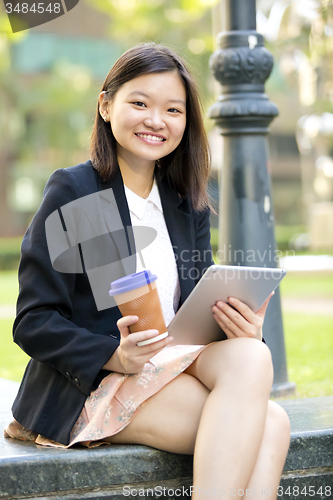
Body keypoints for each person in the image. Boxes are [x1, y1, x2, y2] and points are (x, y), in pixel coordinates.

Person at [4, 43, 290, 498]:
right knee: (270, 425)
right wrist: (114, 355)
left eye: (173, 109)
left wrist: (239, 326)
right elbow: (34, 321)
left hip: (169, 368)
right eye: (139, 103)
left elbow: (197, 307)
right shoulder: (77, 191)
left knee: (252, 354)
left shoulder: (185, 201)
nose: (156, 120)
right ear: (105, 105)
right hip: (95, 384)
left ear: (185, 123)